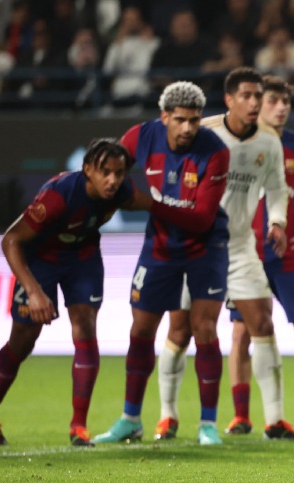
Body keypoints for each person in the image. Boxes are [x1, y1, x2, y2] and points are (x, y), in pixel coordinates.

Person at [153, 67, 294, 442]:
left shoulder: (268, 142)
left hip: (238, 245)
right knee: (181, 331)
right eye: (247, 96)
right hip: (195, 246)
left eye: (258, 96)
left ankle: (275, 420)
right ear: (229, 99)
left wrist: (277, 221)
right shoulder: (204, 134)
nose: (254, 103)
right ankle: (167, 416)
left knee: (262, 323)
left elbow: (278, 189)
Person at [0, 138, 151, 446]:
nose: (113, 180)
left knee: (86, 328)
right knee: (23, 340)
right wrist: (34, 292)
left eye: (119, 173)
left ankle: (79, 428)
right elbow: (10, 240)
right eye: (105, 172)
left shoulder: (123, 192)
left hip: (82, 258)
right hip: (40, 258)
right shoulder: (58, 197)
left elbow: (155, 206)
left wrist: (192, 213)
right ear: (87, 169)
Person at [94, 81, 230, 446]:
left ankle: (207, 424)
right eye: (181, 120)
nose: (188, 128)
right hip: (161, 245)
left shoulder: (215, 151)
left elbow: (202, 218)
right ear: (164, 117)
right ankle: (130, 419)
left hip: (207, 246)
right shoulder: (140, 137)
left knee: (204, 330)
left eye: (195, 120)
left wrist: (148, 203)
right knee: (140, 330)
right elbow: (108, 169)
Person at [225, 75, 294, 434]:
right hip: (244, 253)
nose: (281, 107)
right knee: (241, 333)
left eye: (285, 102)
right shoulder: (237, 142)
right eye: (273, 100)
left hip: (286, 254)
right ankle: (241, 415)